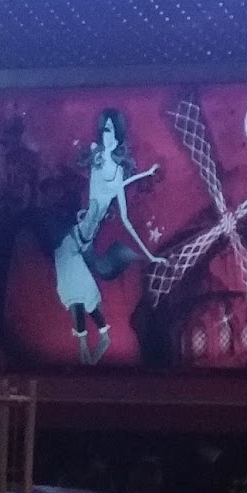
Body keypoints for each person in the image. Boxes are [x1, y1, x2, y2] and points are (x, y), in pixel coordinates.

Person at [52, 109, 157, 365]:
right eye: (104, 129)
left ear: (118, 136)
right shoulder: (98, 164)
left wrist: (150, 254)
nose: (106, 134)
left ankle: (91, 348)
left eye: (111, 129)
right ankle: (87, 350)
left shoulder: (118, 174)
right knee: (80, 293)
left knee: (81, 293)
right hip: (73, 242)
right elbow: (98, 195)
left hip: (80, 244)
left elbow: (126, 218)